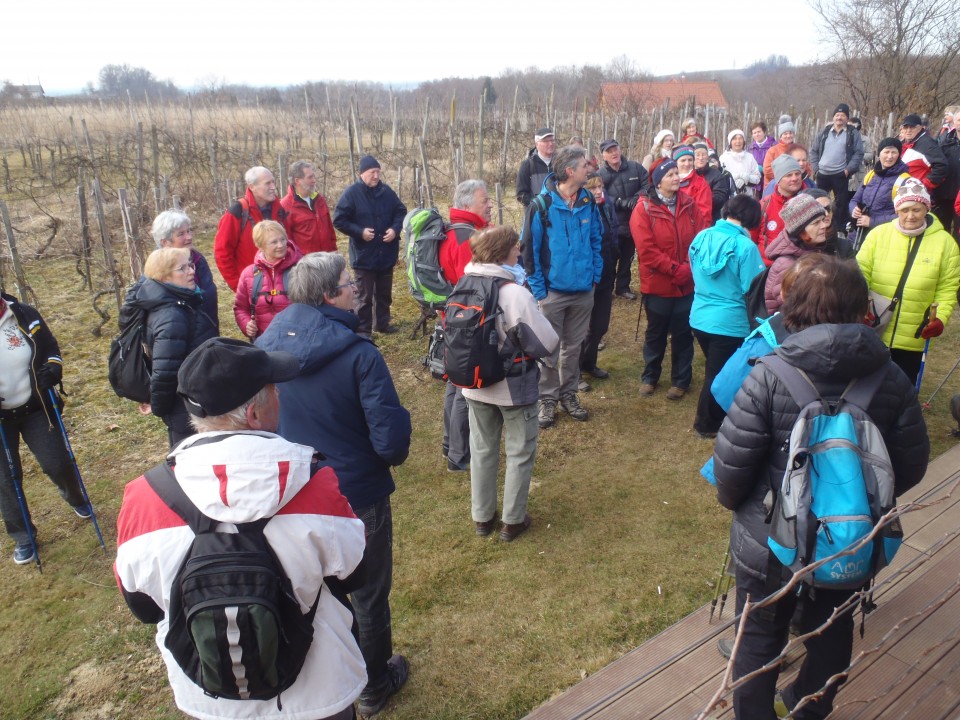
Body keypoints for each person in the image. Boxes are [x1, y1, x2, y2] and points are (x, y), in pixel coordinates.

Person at [712, 255, 929, 720]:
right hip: (849, 538)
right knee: (833, 628)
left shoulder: (768, 375)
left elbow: (730, 472)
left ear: (792, 306)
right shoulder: (890, 377)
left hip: (768, 541)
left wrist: (748, 510)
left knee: (759, 637)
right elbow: (911, 465)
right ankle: (808, 709)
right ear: (861, 307)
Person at [114, 337, 367, 720]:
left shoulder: (144, 497)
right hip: (317, 693)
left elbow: (143, 607)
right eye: (273, 389)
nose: (280, 394)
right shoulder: (315, 484)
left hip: (210, 697)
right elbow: (354, 573)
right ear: (254, 414)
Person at [256, 252, 412, 718]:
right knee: (367, 593)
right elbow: (391, 445)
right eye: (348, 283)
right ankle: (373, 684)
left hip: (290, 495)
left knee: (315, 590)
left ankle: (328, 678)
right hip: (355, 493)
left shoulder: (265, 346)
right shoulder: (360, 354)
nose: (355, 288)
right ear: (329, 294)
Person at [458, 227, 559, 541]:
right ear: (503, 252)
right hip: (513, 389)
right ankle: (513, 521)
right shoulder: (514, 293)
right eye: (516, 248)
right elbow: (546, 341)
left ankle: (482, 518)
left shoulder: (463, 284)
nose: (520, 252)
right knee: (519, 452)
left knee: (482, 449)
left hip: (473, 385)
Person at [0, 291, 89, 566]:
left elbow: (50, 347)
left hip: (36, 406)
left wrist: (53, 368)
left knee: (57, 462)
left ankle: (76, 497)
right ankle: (23, 536)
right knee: (5, 479)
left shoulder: (23, 314)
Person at [520, 145, 603, 429]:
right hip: (553, 294)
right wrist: (540, 291)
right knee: (549, 350)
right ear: (570, 171)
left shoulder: (588, 201)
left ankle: (569, 395)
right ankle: (547, 399)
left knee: (573, 347)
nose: (588, 170)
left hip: (583, 291)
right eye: (583, 166)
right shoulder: (540, 205)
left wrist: (595, 275)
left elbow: (596, 239)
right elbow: (528, 252)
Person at [856, 178, 960, 384]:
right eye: (904, 210)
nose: (910, 216)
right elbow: (859, 275)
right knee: (866, 384)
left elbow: (947, 288)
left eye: (917, 209)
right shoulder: (878, 235)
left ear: (926, 208)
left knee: (901, 388)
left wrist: (939, 318)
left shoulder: (945, 243)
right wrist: (860, 308)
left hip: (913, 334)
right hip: (874, 326)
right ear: (897, 210)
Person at [630, 159, 709, 400]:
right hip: (659, 283)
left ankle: (681, 380)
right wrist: (676, 269)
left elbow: (701, 238)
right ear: (658, 181)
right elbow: (647, 250)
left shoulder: (690, 204)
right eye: (671, 174)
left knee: (683, 332)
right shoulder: (643, 209)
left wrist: (688, 267)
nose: (677, 177)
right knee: (656, 332)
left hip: (686, 283)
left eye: (677, 173)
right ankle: (650, 376)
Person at [688, 195, 765, 438]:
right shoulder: (746, 247)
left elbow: (693, 269)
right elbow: (752, 288)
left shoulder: (701, 237)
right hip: (730, 322)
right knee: (718, 373)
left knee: (715, 369)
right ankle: (706, 423)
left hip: (699, 317)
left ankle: (714, 417)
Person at [128, 247, 218, 448]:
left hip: (194, 403)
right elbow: (165, 372)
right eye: (182, 268)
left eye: (190, 265)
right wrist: (161, 408)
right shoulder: (172, 316)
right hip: (187, 411)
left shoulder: (180, 302)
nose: (191, 271)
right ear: (164, 277)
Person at [439, 179, 492, 473]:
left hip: (453, 320)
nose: (489, 204)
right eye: (484, 200)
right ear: (469, 203)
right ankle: (459, 456)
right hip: (465, 323)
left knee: (454, 382)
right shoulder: (466, 238)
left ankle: (450, 443)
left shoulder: (456, 231)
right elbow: (470, 285)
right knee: (464, 389)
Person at [332, 155, 407, 336]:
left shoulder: (386, 192)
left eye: (378, 172)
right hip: (364, 255)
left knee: (384, 294)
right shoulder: (352, 194)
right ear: (361, 174)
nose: (376, 176)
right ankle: (363, 330)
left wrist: (395, 230)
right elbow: (339, 220)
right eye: (372, 172)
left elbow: (401, 211)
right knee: (364, 297)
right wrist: (360, 232)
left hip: (386, 253)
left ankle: (382, 324)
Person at [214, 166, 290, 292]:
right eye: (267, 183)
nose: (273, 187)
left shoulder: (279, 210)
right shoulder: (238, 212)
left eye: (273, 182)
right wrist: (239, 286)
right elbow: (222, 253)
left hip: (281, 286)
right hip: (252, 287)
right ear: (251, 187)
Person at [598, 138, 650, 300]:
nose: (613, 153)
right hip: (613, 223)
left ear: (620, 150)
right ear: (604, 156)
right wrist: (620, 202)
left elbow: (648, 184)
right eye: (609, 151)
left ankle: (623, 287)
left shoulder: (635, 168)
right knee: (611, 257)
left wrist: (638, 197)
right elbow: (600, 195)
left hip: (635, 221)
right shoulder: (601, 174)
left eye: (615, 149)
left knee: (628, 257)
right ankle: (607, 289)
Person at [233, 220, 303, 339]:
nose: (280, 245)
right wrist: (246, 325)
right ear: (261, 246)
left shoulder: (302, 268)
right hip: (263, 342)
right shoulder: (248, 274)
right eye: (274, 242)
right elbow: (240, 308)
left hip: (297, 340)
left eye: (282, 239)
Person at [579, 173, 618, 387]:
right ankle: (573, 372)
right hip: (586, 278)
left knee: (600, 325)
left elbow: (612, 236)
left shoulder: (606, 207)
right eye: (593, 187)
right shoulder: (581, 211)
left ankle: (589, 363)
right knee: (581, 328)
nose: (598, 191)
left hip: (606, 271)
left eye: (600, 186)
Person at [151, 209, 218, 330]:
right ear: (165, 242)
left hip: (208, 332)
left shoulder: (198, 259)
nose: (189, 237)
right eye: (181, 234)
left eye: (189, 231)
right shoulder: (159, 270)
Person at [764, 193, 830, 313]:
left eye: (823, 220)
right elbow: (794, 309)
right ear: (799, 231)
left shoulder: (813, 250)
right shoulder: (786, 264)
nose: (824, 225)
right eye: (816, 223)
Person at [809, 103, 864, 231]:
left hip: (840, 174)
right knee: (819, 202)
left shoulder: (852, 133)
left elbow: (858, 153)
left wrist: (848, 169)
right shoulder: (825, 131)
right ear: (833, 117)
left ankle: (837, 230)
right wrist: (816, 169)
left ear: (847, 118)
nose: (839, 117)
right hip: (822, 174)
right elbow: (814, 150)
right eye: (837, 115)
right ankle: (819, 226)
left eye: (843, 115)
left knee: (841, 204)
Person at [849, 137, 911, 235]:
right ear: (879, 154)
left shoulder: (904, 180)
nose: (890, 156)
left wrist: (872, 222)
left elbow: (905, 213)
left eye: (894, 152)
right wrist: (854, 210)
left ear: (899, 155)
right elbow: (854, 200)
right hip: (859, 233)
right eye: (886, 152)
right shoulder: (871, 175)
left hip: (885, 235)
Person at [755, 154, 806, 264]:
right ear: (778, 180)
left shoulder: (809, 203)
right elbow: (751, 238)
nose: (794, 178)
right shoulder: (764, 205)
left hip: (799, 267)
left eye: (797, 174)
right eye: (788, 175)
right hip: (768, 267)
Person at [280, 159, 338, 254]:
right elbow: (287, 242)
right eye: (310, 177)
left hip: (327, 260)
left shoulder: (320, 200)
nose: (314, 180)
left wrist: (334, 250)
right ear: (297, 181)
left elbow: (330, 231)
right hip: (306, 265)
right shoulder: (285, 206)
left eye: (314, 176)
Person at [694, 143, 734, 222]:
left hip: (711, 217)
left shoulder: (716, 175)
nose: (701, 158)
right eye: (697, 155)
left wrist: (700, 198)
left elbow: (720, 198)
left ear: (707, 157)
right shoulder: (689, 174)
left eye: (703, 155)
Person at [516, 128, 556, 207]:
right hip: (536, 215)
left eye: (552, 140)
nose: (550, 144)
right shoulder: (527, 165)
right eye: (546, 141)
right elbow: (521, 194)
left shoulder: (560, 163)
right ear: (537, 144)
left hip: (559, 214)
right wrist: (538, 204)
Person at [674, 145, 712, 222]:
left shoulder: (700, 183)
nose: (687, 164)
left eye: (690, 160)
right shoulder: (668, 181)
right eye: (683, 160)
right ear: (676, 162)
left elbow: (704, 215)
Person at [720, 129, 761, 197]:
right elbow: (720, 178)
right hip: (729, 198)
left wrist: (746, 178)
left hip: (747, 198)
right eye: (735, 139)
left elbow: (757, 177)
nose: (738, 141)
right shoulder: (723, 158)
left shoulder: (749, 157)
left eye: (740, 138)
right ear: (730, 142)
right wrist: (734, 179)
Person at [762, 115, 796, 183]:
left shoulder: (798, 150)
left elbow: (806, 167)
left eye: (790, 133)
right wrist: (786, 177)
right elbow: (767, 170)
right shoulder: (772, 151)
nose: (788, 136)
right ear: (780, 136)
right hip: (775, 186)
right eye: (785, 134)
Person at [749, 122, 776, 195]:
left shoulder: (773, 146)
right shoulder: (750, 148)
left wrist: (765, 169)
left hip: (770, 182)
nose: (757, 134)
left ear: (764, 132)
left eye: (759, 132)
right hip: (755, 184)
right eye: (754, 133)